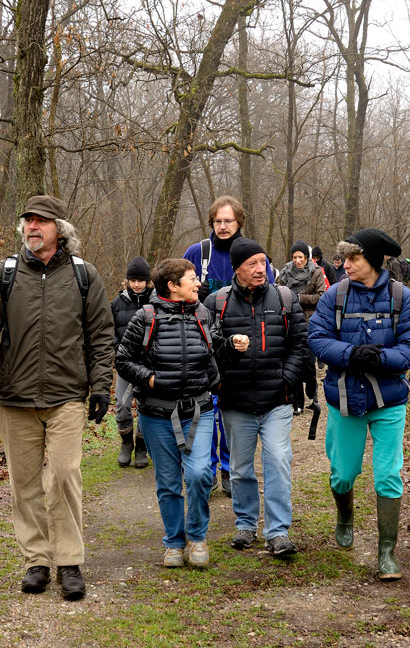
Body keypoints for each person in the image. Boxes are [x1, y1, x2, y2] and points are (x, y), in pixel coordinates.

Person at [0, 195, 115, 601]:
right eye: (28, 220)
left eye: (41, 221)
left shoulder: (85, 276)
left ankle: (69, 562)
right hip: (15, 395)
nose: (32, 226)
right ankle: (37, 560)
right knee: (24, 482)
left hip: (67, 394)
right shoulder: (3, 275)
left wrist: (101, 385)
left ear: (59, 229)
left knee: (64, 475)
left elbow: (102, 336)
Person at [307, 227, 410, 581]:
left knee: (388, 475)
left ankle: (386, 552)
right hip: (345, 397)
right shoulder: (335, 296)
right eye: (343, 258)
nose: (344, 265)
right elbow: (317, 337)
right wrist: (351, 353)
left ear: (373, 261)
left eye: (353, 258)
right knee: (343, 473)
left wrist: (381, 359)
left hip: (389, 400)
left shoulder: (402, 298)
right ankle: (344, 516)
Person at [116, 259, 247, 568]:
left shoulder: (201, 313)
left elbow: (212, 350)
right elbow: (123, 359)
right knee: (168, 482)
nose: (197, 284)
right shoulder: (145, 316)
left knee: (201, 474)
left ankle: (198, 537)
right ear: (173, 286)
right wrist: (150, 380)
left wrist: (232, 345)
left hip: (197, 411)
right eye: (191, 279)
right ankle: (174, 543)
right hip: (156, 414)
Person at [206, 238, 310, 557]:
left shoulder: (285, 298)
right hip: (235, 401)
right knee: (239, 467)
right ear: (237, 268)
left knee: (278, 460)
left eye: (263, 262)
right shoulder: (216, 302)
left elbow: (300, 345)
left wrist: (286, 379)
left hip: (276, 399)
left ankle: (277, 531)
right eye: (251, 264)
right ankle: (246, 524)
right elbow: (208, 350)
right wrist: (226, 350)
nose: (259, 269)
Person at [182, 196, 275, 497]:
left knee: (231, 410)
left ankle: (227, 466)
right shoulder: (198, 253)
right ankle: (206, 469)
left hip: (242, 345)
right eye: (218, 221)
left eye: (229, 221)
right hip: (201, 341)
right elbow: (176, 291)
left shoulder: (254, 254)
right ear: (211, 222)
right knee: (205, 407)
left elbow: (269, 295)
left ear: (239, 223)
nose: (223, 226)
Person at [111, 256, 154, 468]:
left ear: (148, 280)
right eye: (133, 280)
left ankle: (142, 447)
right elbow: (110, 332)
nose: (136, 284)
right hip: (125, 365)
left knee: (146, 407)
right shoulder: (117, 304)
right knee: (122, 406)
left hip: (148, 366)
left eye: (140, 280)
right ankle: (126, 443)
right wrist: (118, 350)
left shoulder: (157, 302)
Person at [275, 240, 330, 317]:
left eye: (300, 257)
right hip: (289, 314)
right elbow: (278, 292)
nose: (297, 261)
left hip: (309, 316)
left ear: (306, 257)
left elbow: (321, 296)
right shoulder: (285, 271)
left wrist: (299, 297)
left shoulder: (316, 272)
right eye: (294, 257)